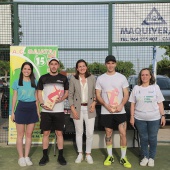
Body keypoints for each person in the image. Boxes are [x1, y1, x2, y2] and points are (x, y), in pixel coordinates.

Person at [96, 55, 131, 168]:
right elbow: (98, 95)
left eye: (112, 63)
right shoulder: (100, 78)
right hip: (106, 112)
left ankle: (123, 157)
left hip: (120, 112)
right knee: (108, 134)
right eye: (108, 63)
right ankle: (110, 156)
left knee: (123, 133)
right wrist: (106, 105)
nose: (110, 65)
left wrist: (121, 105)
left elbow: (126, 94)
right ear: (105, 64)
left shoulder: (122, 77)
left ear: (115, 64)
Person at [129, 68, 166, 167]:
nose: (144, 77)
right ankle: (145, 157)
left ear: (150, 76)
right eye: (142, 75)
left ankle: (151, 158)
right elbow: (132, 104)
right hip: (139, 118)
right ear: (140, 77)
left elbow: (160, 103)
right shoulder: (136, 88)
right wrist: (132, 117)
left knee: (152, 138)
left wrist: (163, 116)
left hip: (154, 118)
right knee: (143, 138)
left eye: (146, 75)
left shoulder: (155, 87)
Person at [37, 57, 69, 166]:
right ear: (49, 65)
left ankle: (61, 156)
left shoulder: (63, 78)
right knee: (45, 133)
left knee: (59, 133)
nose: (54, 66)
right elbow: (39, 93)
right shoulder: (43, 78)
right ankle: (44, 156)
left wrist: (62, 98)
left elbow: (66, 92)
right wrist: (42, 104)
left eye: (56, 64)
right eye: (52, 64)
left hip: (59, 111)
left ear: (58, 66)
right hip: (46, 111)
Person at [11, 62, 39, 167]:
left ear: (31, 71)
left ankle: (27, 156)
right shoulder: (16, 82)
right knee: (20, 135)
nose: (26, 71)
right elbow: (14, 97)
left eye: (29, 69)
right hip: (21, 108)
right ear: (22, 70)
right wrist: (12, 112)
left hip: (32, 109)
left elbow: (36, 98)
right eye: (25, 69)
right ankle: (21, 157)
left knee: (28, 134)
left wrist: (38, 112)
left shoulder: (34, 82)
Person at [68, 59, 96, 164]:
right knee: (79, 132)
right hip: (77, 109)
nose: (82, 68)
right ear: (77, 68)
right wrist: (72, 109)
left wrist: (94, 103)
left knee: (89, 133)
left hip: (90, 109)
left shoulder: (92, 78)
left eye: (83, 66)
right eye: (80, 66)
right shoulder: (73, 79)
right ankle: (80, 153)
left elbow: (95, 93)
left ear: (86, 67)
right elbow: (70, 95)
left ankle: (88, 154)